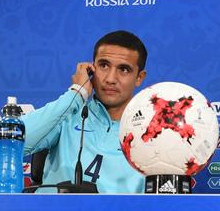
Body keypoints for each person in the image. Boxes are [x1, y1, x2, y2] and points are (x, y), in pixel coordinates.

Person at [23, 30, 147, 193]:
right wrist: (76, 94)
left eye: (123, 69)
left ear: (139, 78)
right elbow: (11, 142)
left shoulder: (151, 134)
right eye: (103, 65)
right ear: (91, 69)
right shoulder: (67, 114)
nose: (110, 78)